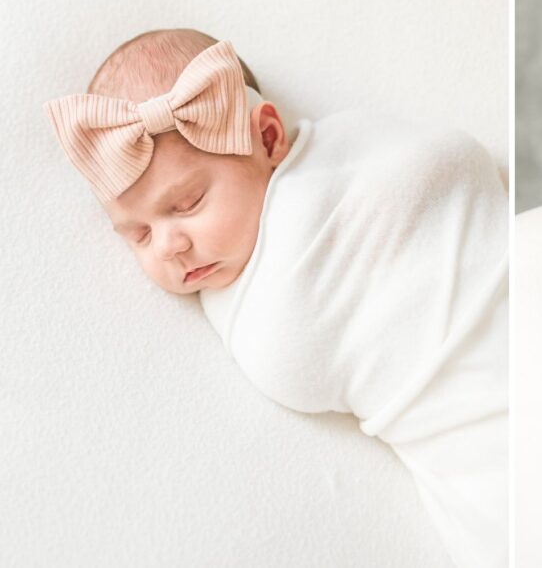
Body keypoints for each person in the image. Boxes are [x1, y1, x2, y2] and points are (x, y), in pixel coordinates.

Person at [45, 29, 508, 568]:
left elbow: (449, 160)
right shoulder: (243, 296)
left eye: (188, 202)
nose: (169, 246)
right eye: (138, 235)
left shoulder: (357, 144)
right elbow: (295, 358)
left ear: (268, 138)